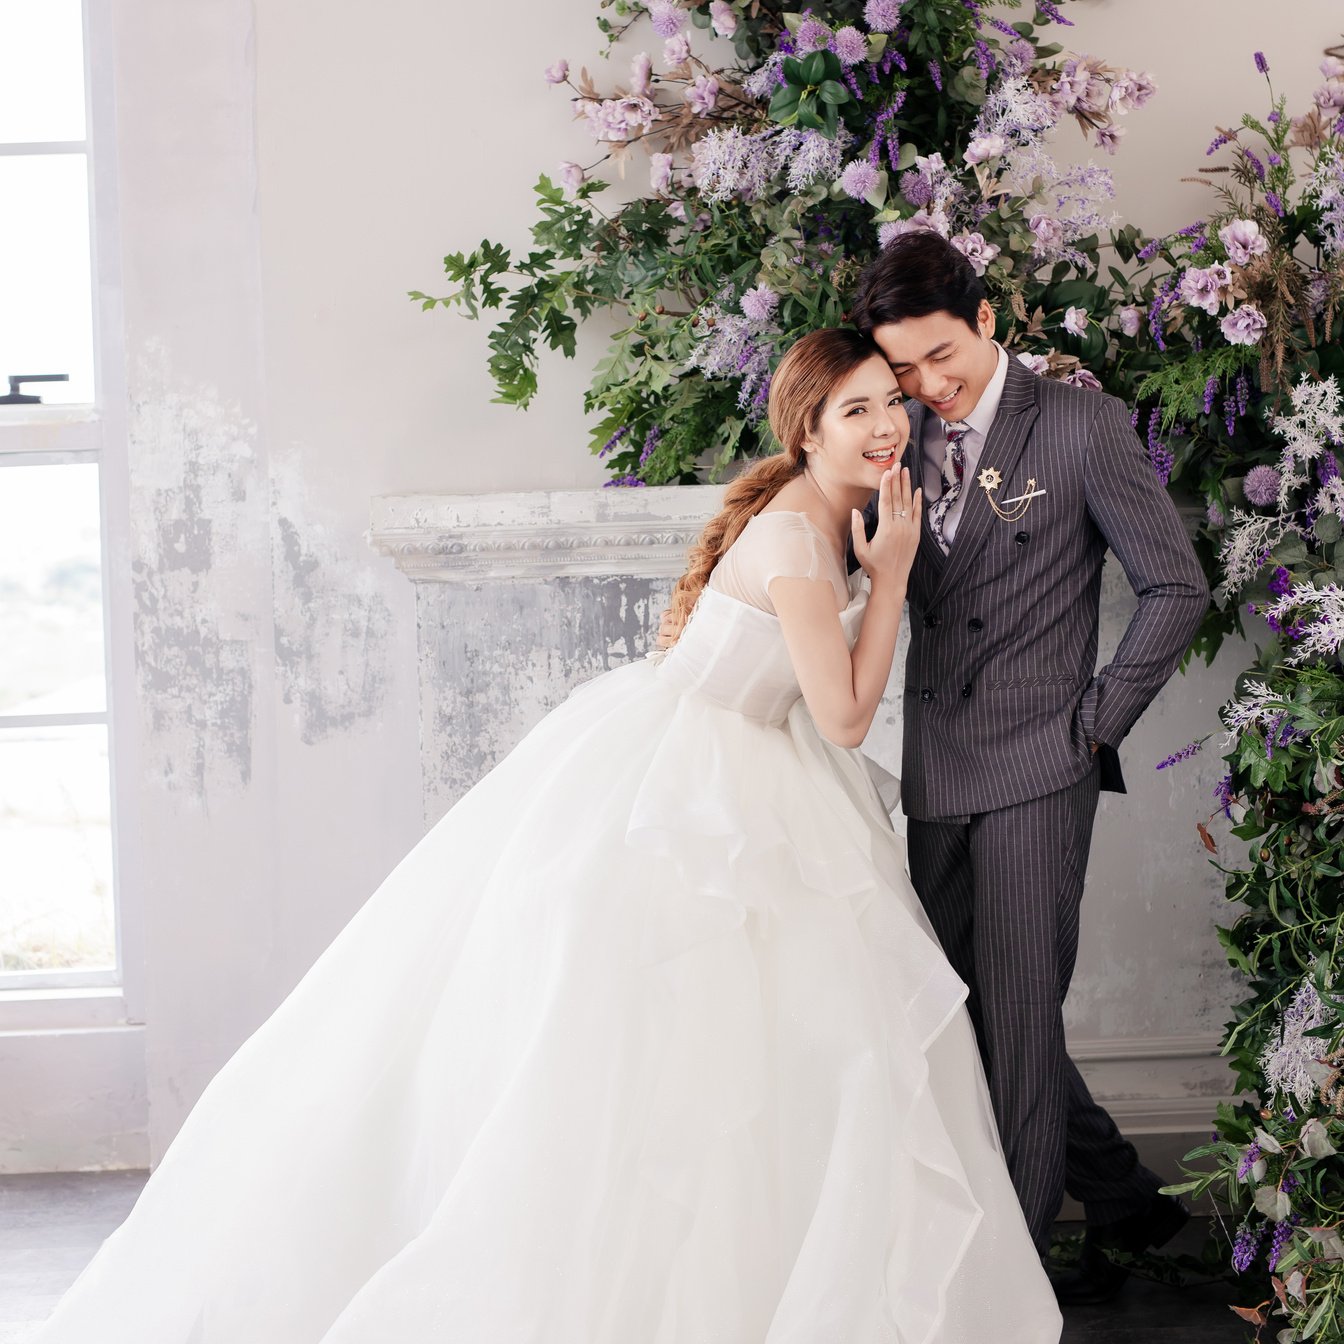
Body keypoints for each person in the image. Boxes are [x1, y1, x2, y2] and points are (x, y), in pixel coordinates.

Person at [35, 328, 1062, 1344]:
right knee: (679, 1043)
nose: (888, 425)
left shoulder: (833, 514)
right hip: (696, 783)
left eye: (892, 401)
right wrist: (889, 577)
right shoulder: (801, 537)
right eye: (858, 411)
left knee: (801, 1038)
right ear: (806, 431)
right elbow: (842, 717)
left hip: (755, 761)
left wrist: (883, 561)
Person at [850, 230, 1210, 1304]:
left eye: (941, 356)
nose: (926, 385)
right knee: (953, 1011)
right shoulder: (894, 434)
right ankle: (1128, 1205)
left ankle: (1011, 1283)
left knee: (1014, 1016)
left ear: (990, 319)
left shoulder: (1083, 426)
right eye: (903, 367)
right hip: (935, 764)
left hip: (1040, 766)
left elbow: (1176, 588)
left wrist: (1091, 724)